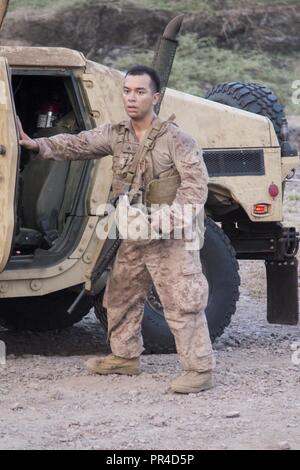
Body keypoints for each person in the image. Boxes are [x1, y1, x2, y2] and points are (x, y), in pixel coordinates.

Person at [18, 64, 215, 394]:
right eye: (127, 91)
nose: (132, 98)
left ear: (156, 97)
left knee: (182, 299)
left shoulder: (177, 139)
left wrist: (161, 223)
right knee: (120, 294)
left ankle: (199, 369)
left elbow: (195, 190)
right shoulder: (117, 133)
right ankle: (124, 357)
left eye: (140, 92)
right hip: (132, 231)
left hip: (170, 235)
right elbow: (80, 144)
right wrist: (40, 146)